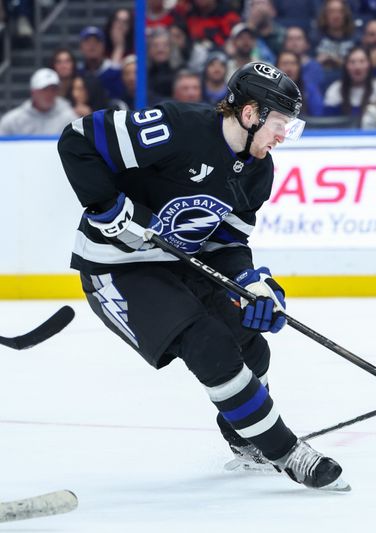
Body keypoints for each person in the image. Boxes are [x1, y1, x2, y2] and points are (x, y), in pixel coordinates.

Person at [56, 61, 349, 492]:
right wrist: (107, 209)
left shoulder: (258, 170)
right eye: (280, 123)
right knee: (207, 344)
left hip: (179, 264)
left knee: (253, 347)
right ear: (250, 114)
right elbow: (77, 140)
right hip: (115, 269)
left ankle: (245, 438)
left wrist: (251, 283)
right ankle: (285, 451)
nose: (283, 135)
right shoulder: (178, 128)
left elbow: (226, 245)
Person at [0, 68, 78, 136]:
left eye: (53, 89)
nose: (49, 94)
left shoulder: (69, 118)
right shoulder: (12, 121)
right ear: (33, 92)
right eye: (45, 89)